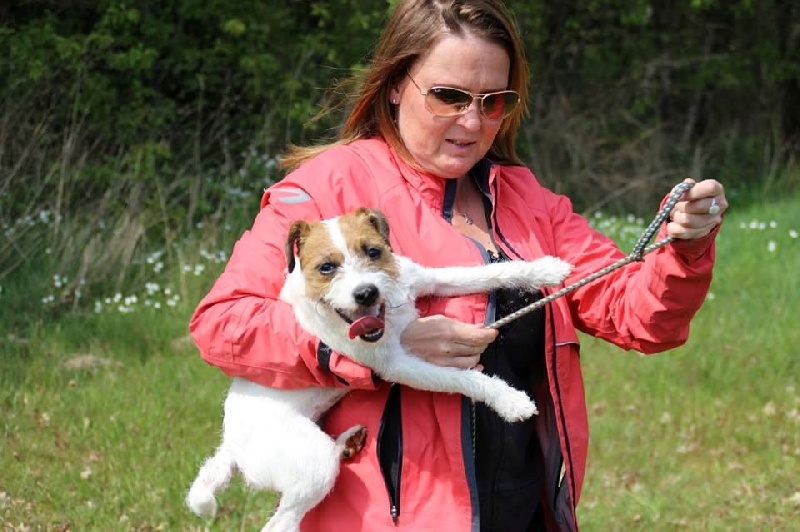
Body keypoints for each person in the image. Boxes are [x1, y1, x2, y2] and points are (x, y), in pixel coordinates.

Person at [189, 0, 728, 530]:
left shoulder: (526, 200)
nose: (472, 121)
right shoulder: (326, 189)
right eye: (449, 96)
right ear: (396, 84)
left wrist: (684, 249)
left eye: (494, 102)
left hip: (522, 508)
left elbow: (639, 316)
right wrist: (367, 348)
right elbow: (221, 324)